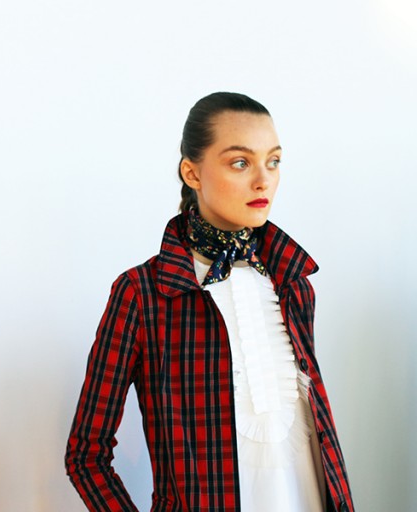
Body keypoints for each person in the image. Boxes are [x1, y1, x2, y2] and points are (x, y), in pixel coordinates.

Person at [65, 92, 354, 511]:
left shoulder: (293, 284)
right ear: (192, 172)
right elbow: (86, 455)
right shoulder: (142, 294)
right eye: (240, 163)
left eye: (273, 161)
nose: (263, 180)